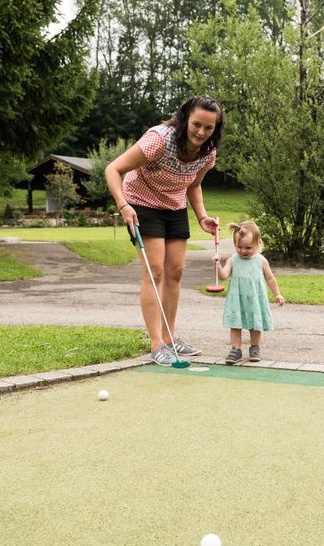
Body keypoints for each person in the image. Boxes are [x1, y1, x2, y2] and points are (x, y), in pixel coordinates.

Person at [105, 96, 224, 366]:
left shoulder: (208, 152)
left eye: (208, 128)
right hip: (141, 204)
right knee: (156, 271)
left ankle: (170, 338)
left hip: (175, 206)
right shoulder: (159, 139)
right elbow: (113, 169)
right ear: (184, 119)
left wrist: (202, 216)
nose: (201, 132)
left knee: (176, 272)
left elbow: (193, 185)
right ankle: (157, 343)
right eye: (196, 124)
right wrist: (123, 205)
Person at [212, 220, 285, 364]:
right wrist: (217, 265)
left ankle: (255, 347)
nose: (243, 251)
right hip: (237, 299)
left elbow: (270, 278)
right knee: (235, 324)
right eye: (239, 247)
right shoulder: (233, 259)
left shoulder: (261, 260)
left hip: (254, 298)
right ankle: (235, 349)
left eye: (247, 247)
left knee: (255, 324)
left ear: (257, 244)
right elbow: (223, 276)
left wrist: (277, 294)